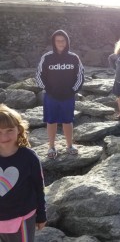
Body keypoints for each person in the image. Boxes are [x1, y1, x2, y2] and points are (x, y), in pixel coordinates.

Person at [0, 104, 47, 242]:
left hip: (23, 217)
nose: (4, 136)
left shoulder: (29, 157)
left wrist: (41, 216)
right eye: (0, 131)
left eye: (10, 130)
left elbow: (39, 187)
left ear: (19, 130)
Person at [36, 29, 84, 159]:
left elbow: (80, 76)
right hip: (51, 96)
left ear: (67, 42)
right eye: (58, 41)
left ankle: (69, 145)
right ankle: (51, 146)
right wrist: (47, 89)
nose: (61, 43)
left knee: (67, 121)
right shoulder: (47, 57)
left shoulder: (74, 58)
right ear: (54, 42)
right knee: (51, 122)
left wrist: (73, 90)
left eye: (63, 40)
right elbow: (39, 75)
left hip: (68, 96)